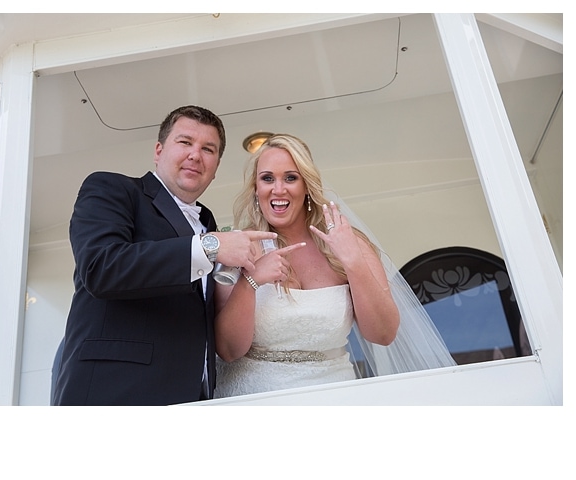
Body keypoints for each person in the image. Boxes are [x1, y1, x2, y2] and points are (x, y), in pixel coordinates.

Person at [50, 105, 275, 405]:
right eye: (185, 142)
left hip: (191, 398)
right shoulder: (111, 188)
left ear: (216, 167)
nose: (196, 155)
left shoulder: (206, 221)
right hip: (114, 393)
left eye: (208, 149)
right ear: (158, 150)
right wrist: (209, 247)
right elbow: (100, 267)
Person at [213, 133, 453, 397]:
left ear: (307, 186)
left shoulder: (347, 243)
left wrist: (354, 263)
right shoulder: (239, 248)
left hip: (335, 397)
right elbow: (228, 350)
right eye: (267, 178)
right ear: (256, 188)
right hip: (255, 400)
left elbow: (383, 334)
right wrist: (251, 281)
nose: (278, 189)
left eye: (291, 178)